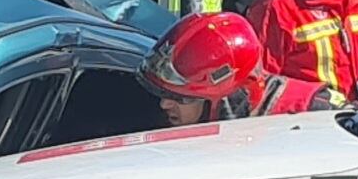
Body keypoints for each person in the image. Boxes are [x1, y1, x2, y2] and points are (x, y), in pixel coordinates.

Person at [141, 12, 329, 125]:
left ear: (227, 98)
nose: (164, 105)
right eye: (165, 95)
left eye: (180, 98)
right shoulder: (185, 126)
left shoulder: (317, 112)